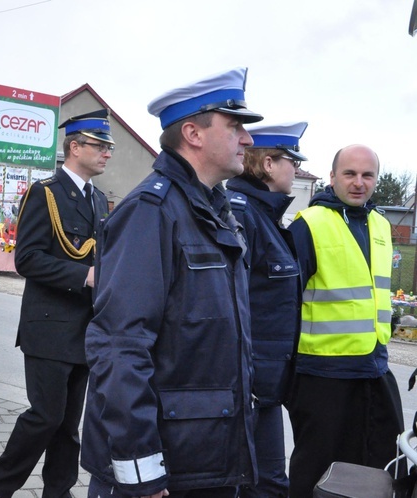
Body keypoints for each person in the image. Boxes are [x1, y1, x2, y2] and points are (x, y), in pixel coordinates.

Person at [81, 67, 262, 498]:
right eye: (235, 126)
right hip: (162, 468)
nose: (248, 139)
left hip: (204, 460)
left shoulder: (214, 211)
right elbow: (119, 347)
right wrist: (142, 471)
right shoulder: (151, 211)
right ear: (193, 134)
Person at [0, 109, 113, 498]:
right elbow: (28, 258)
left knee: (69, 424)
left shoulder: (99, 200)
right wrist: (83, 276)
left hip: (85, 329)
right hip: (49, 327)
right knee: (45, 417)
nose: (107, 153)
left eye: (108, 147)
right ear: (75, 147)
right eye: (100, 145)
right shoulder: (46, 193)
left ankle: (59, 490)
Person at [286, 144, 403, 498]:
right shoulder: (309, 225)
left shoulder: (381, 224)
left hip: (374, 368)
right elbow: (286, 304)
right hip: (324, 374)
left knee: (383, 465)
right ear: (332, 176)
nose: (358, 183)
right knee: (317, 472)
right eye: (349, 174)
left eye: (367, 175)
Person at [225, 122, 308, 497]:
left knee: (264, 482)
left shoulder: (265, 216)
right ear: (270, 164)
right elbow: (231, 302)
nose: (297, 169)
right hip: (250, 383)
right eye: (293, 160)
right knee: (266, 484)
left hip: (265, 383)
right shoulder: (243, 214)